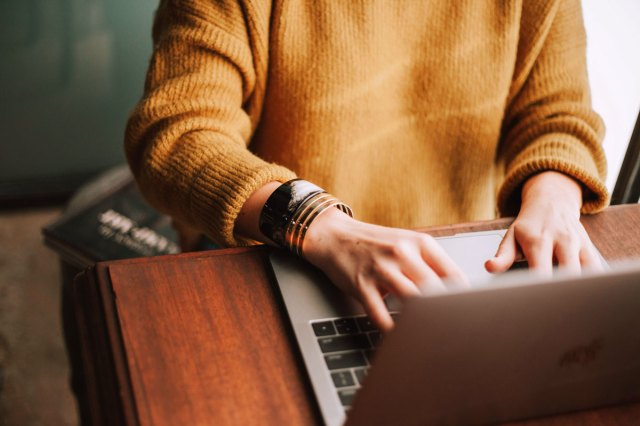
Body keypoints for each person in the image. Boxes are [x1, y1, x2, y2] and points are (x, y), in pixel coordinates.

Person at [125, 0, 609, 331]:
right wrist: (315, 223)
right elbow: (176, 134)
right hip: (277, 255)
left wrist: (555, 196)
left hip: (458, 270)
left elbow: (558, 115)